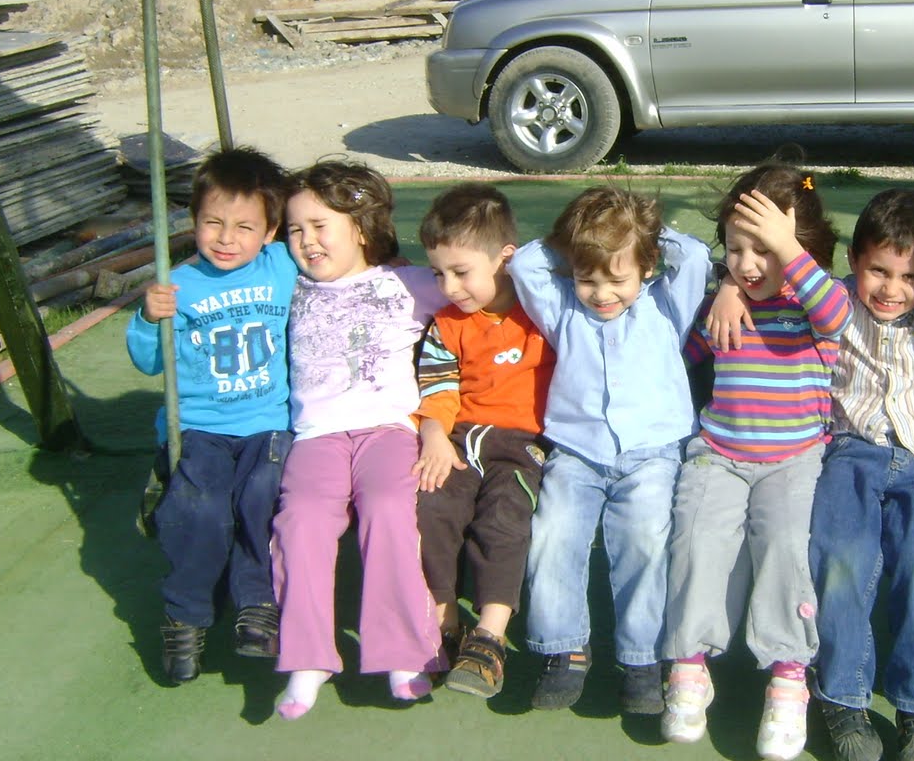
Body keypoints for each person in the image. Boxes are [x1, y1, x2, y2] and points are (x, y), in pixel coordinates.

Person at [662, 152, 851, 761]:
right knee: (697, 538)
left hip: (795, 459)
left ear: (800, 248)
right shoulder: (726, 302)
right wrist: (721, 287)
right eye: (736, 249)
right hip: (718, 453)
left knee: (786, 544)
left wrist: (786, 250)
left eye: (764, 250)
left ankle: (789, 675)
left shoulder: (814, 302)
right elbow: (679, 358)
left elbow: (837, 315)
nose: (748, 265)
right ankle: (689, 665)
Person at [508, 187, 710, 715]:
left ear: (647, 268)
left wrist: (641, 230)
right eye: (587, 278)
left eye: (617, 279)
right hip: (578, 452)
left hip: (652, 452)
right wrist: (577, 239)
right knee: (554, 533)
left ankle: (641, 658)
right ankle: (564, 648)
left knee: (644, 536)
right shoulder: (563, 309)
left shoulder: (666, 306)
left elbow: (694, 257)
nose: (601, 293)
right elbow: (526, 264)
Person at [269, 159, 447, 720]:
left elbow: (478, 287)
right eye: (295, 229)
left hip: (387, 429)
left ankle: (404, 653)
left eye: (321, 226)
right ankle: (307, 657)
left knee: (390, 507)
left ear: (362, 228)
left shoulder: (408, 284)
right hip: (316, 435)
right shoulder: (288, 284)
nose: (307, 241)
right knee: (300, 520)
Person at [127, 147, 297, 685]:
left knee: (261, 496)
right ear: (193, 221)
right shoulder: (176, 286)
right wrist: (147, 317)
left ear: (270, 232)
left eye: (245, 227)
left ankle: (256, 602)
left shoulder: (282, 266)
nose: (227, 238)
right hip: (200, 427)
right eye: (213, 223)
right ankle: (187, 614)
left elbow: (330, 254)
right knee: (199, 511)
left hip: (267, 422)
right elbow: (149, 362)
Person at [806, 188, 914, 761]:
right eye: (879, 271)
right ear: (854, 261)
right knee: (842, 556)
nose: (893, 289)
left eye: (911, 276)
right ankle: (843, 695)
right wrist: (733, 288)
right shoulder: (834, 304)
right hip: (850, 451)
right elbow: (780, 282)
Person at [412, 184, 554, 699]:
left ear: (505, 259)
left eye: (461, 271)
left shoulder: (544, 311)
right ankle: (444, 622)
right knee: (431, 506)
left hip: (521, 443)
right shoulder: (448, 324)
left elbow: (558, 259)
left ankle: (489, 637)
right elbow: (438, 386)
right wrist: (433, 435)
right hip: (459, 437)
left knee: (504, 516)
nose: (449, 287)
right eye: (438, 273)